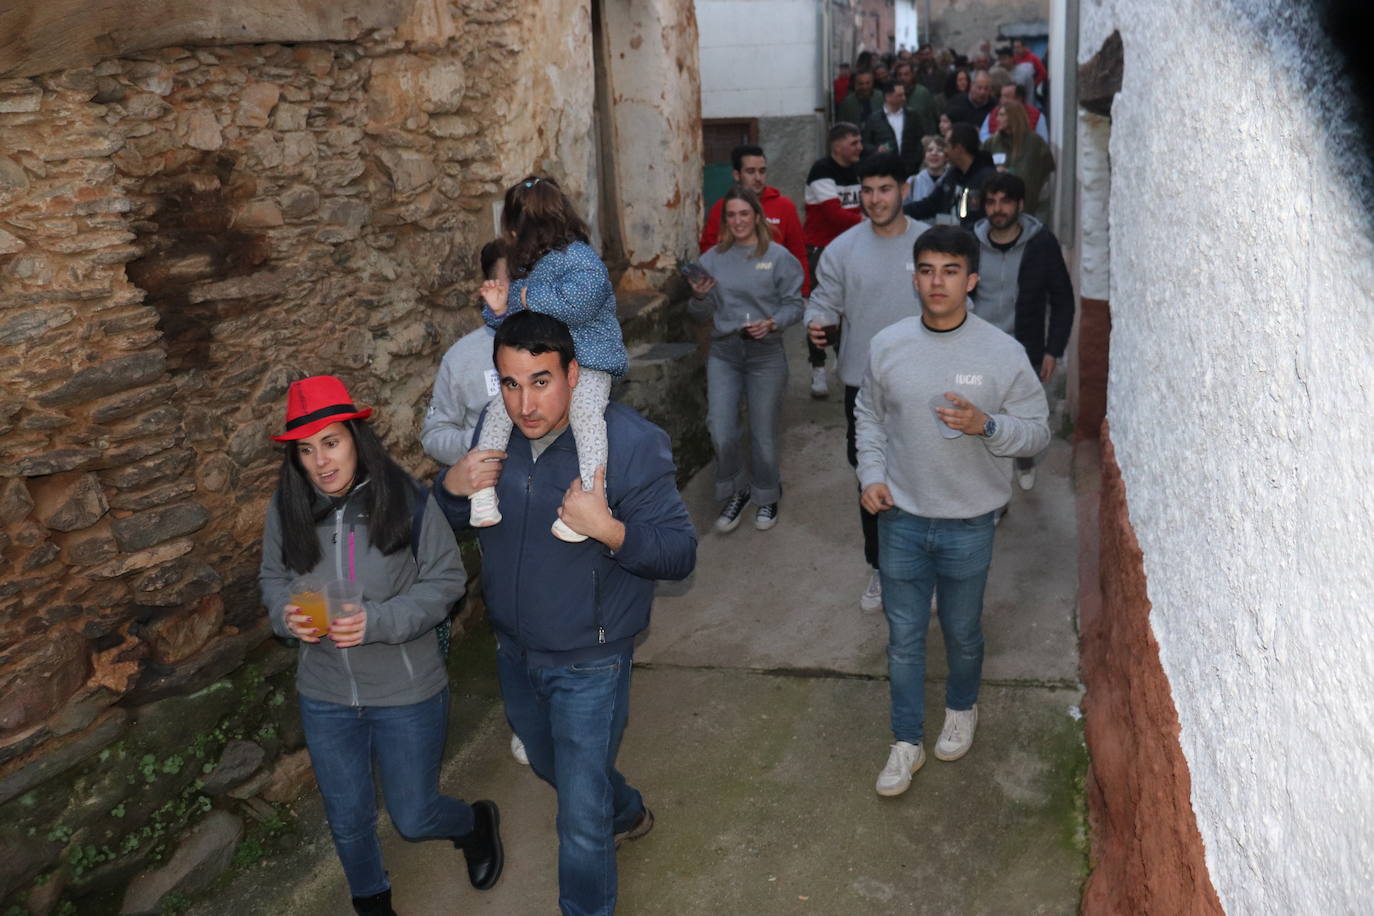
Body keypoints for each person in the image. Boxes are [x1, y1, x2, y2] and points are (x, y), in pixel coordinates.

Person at [436, 310, 696, 916]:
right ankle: (626, 809)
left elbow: (680, 553)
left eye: (541, 380)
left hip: (591, 660)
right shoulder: (493, 429)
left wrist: (608, 531)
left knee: (578, 822)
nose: (524, 403)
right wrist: (448, 490)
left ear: (574, 373)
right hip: (515, 651)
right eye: (509, 383)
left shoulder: (629, 442)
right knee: (556, 766)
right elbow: (454, 521)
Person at [259, 375, 501, 916]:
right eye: (306, 449)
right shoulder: (287, 508)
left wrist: (378, 621)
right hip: (324, 693)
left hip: (406, 689)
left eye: (331, 441)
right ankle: (373, 904)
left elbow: (446, 582)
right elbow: (272, 580)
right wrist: (285, 616)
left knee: (413, 817)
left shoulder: (410, 501)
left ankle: (475, 822)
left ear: (356, 438)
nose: (321, 461)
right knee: (347, 818)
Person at [854, 225, 1050, 797]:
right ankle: (905, 742)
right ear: (913, 278)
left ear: (972, 280)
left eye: (949, 271)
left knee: (963, 633)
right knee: (904, 636)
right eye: (927, 270)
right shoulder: (888, 344)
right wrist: (871, 475)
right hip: (901, 518)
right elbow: (867, 414)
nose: (937, 282)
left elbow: (1038, 433)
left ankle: (962, 706)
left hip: (970, 521)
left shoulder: (1002, 353)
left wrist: (986, 425)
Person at [420, 239, 532, 768]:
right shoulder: (462, 358)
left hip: (559, 505)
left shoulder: (560, 344)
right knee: (511, 617)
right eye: (509, 282)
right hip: (496, 514)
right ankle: (527, 719)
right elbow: (434, 430)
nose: (520, 293)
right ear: (488, 288)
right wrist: (473, 449)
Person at [805, 152, 929, 613]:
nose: (876, 200)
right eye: (869, 191)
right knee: (872, 480)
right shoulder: (842, 249)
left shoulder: (928, 246)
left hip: (923, 382)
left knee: (924, 477)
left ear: (904, 190)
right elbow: (822, 300)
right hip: (863, 387)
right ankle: (880, 568)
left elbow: (959, 305)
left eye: (886, 189)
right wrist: (817, 322)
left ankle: (923, 569)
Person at [472, 176, 627, 543]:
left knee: (587, 417)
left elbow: (579, 302)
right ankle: (482, 489)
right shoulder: (534, 267)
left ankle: (593, 499)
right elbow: (520, 323)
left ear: (518, 228)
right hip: (548, 369)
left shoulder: (580, 259)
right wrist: (496, 311)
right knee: (497, 411)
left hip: (590, 363)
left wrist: (523, 296)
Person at [688, 187, 805, 532]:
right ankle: (736, 490)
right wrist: (698, 298)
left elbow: (795, 306)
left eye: (744, 214)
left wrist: (772, 323)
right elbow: (698, 314)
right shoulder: (710, 260)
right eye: (731, 215)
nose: (738, 221)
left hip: (765, 353)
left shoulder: (779, 257)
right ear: (725, 221)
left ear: (756, 216)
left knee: (763, 432)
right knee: (721, 429)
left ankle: (766, 494)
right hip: (724, 351)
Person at [971, 173, 1074, 490]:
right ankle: (993, 491)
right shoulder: (969, 243)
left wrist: (1052, 350)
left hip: (1024, 349)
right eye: (991, 202)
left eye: (1005, 201)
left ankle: (1025, 460)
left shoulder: (1042, 244)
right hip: (978, 348)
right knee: (982, 417)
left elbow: (1063, 301)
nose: (997, 209)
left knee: (1021, 418)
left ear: (1020, 205)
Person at [802, 122, 865, 399]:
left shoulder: (857, 170)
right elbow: (833, 215)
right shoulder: (821, 171)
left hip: (851, 248)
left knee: (850, 306)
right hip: (822, 251)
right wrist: (869, 222)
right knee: (821, 310)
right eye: (854, 142)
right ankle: (818, 367)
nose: (859, 147)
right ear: (837, 145)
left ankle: (844, 359)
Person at [698, 144, 809, 296]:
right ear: (737, 175)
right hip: (733, 294)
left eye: (762, 171)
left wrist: (804, 293)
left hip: (776, 293)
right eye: (750, 171)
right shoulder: (721, 208)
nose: (758, 178)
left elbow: (798, 253)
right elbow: (708, 251)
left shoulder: (785, 206)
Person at [903, 122, 997, 228]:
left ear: (959, 148)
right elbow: (932, 204)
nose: (945, 150)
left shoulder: (988, 179)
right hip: (950, 240)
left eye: (947, 145)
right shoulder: (952, 175)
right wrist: (899, 212)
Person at [984, 100, 1056, 220]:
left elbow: (1032, 176)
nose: (997, 119)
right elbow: (982, 167)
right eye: (997, 115)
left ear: (1013, 117)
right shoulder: (993, 142)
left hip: (1028, 208)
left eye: (1002, 115)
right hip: (998, 208)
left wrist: (1007, 173)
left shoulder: (1034, 142)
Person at [862, 82, 926, 175]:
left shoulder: (912, 115)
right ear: (888, 97)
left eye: (904, 94)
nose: (904, 98)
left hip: (910, 170)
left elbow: (920, 139)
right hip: (885, 170)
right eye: (900, 95)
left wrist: (915, 160)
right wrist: (877, 150)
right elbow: (865, 144)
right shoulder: (874, 119)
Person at [980, 81, 1049, 143]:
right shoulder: (993, 114)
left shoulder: (1037, 116)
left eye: (1007, 97)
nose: (1002, 100)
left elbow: (1042, 142)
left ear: (1019, 98)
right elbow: (983, 136)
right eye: (1002, 96)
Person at [906, 135, 948, 203]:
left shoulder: (954, 181)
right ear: (924, 156)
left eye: (940, 150)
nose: (934, 153)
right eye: (929, 150)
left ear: (946, 157)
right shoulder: (912, 182)